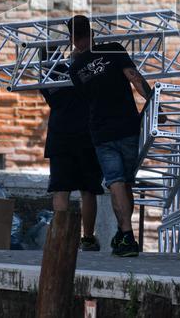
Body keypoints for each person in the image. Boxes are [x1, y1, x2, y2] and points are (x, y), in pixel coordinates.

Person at [66, 14, 152, 257]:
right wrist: (155, 105)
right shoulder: (114, 50)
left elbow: (85, 100)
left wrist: (77, 58)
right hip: (128, 126)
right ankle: (124, 233)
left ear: (73, 39)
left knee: (116, 182)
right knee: (125, 183)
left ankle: (126, 236)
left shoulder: (75, 68)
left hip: (102, 131)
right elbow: (134, 78)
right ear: (93, 34)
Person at [39, 47, 104, 252]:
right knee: (88, 189)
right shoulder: (81, 71)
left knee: (61, 189)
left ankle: (60, 237)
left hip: (60, 137)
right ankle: (87, 238)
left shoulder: (46, 80)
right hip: (86, 136)